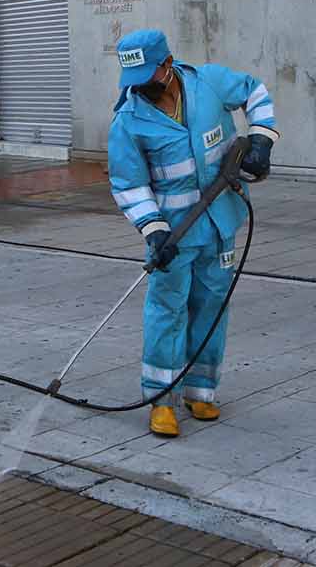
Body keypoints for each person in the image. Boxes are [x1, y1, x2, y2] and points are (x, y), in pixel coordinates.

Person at [106, 29, 278, 437]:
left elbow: (255, 92)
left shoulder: (209, 84)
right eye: (133, 79)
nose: (140, 86)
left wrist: (261, 140)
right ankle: (160, 400)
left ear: (167, 64)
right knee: (167, 310)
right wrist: (153, 231)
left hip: (221, 221)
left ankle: (201, 390)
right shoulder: (129, 120)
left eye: (148, 75)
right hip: (174, 236)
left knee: (212, 305)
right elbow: (129, 184)